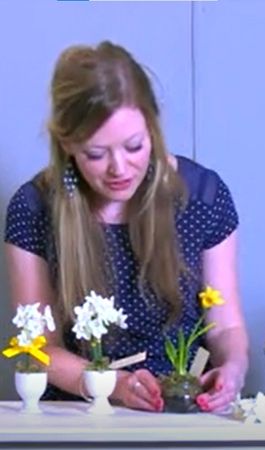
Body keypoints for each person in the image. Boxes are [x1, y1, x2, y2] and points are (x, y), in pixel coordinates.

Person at [4, 41, 249, 412]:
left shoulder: (202, 197)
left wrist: (233, 367)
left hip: (181, 409)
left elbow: (226, 327)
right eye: (96, 154)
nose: (119, 169)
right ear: (67, 144)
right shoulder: (35, 208)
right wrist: (111, 385)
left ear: (152, 126)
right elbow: (38, 347)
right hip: (79, 413)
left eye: (134, 146)